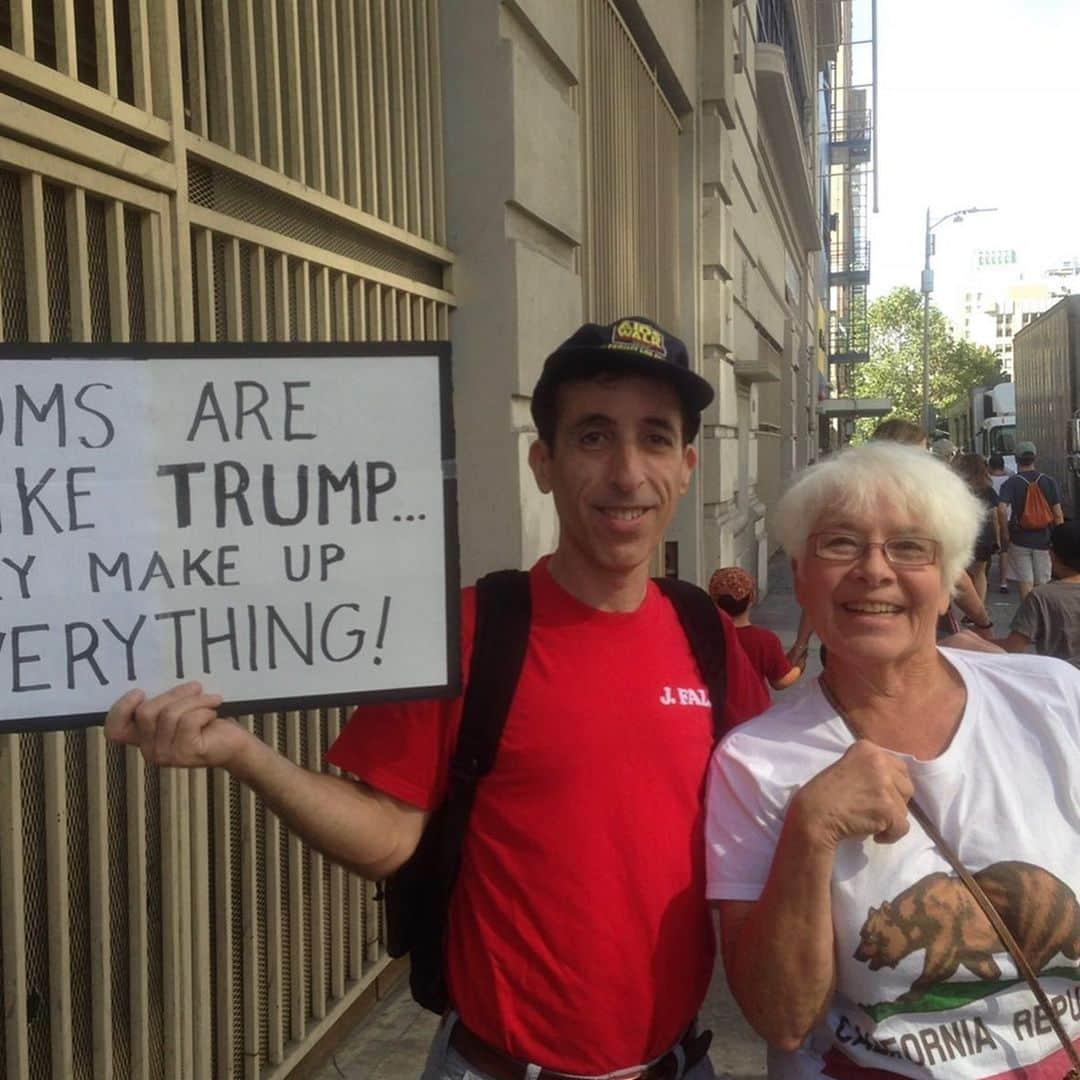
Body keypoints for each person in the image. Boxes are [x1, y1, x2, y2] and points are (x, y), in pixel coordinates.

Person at [105, 315, 771, 1080]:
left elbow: (772, 820)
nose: (626, 473)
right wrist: (245, 755)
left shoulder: (706, 635)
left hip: (678, 1064)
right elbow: (389, 836)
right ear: (543, 462)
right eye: (592, 436)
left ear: (686, 465)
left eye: (654, 438)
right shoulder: (469, 631)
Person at [705, 441, 1080, 1078]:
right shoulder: (754, 762)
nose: (874, 570)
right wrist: (811, 830)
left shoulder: (1055, 701)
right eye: (840, 543)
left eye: (910, 547)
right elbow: (782, 1020)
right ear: (799, 575)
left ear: (948, 585)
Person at [997, 520, 1080, 667]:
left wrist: (975, 641)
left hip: (1060, 682)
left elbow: (1013, 648)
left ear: (1053, 555)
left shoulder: (1042, 596)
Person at [708, 566, 802, 695]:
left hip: (712, 709)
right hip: (755, 710)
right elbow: (780, 682)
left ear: (713, 599)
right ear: (752, 597)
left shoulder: (703, 636)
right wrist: (799, 668)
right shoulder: (765, 639)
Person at [998, 440, 1064, 601]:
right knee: (1043, 581)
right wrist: (1060, 539)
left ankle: (1030, 617)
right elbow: (1058, 515)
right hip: (1044, 539)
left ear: (1016, 459)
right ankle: (1043, 616)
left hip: (1020, 539)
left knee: (1025, 581)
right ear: (1035, 458)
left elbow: (1001, 508)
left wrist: (1005, 533)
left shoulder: (1011, 483)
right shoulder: (1049, 481)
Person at [950, 452, 1004, 604]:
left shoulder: (958, 488)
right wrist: (998, 539)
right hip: (984, 536)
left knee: (964, 574)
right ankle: (979, 606)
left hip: (964, 535)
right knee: (980, 573)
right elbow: (994, 517)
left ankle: (969, 606)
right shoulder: (988, 489)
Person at [987, 453, 1014, 593]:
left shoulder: (986, 481)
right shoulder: (1010, 480)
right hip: (1007, 519)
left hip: (990, 521)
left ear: (990, 466)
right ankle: (1003, 582)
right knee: (1004, 551)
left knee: (988, 552)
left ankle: (984, 579)